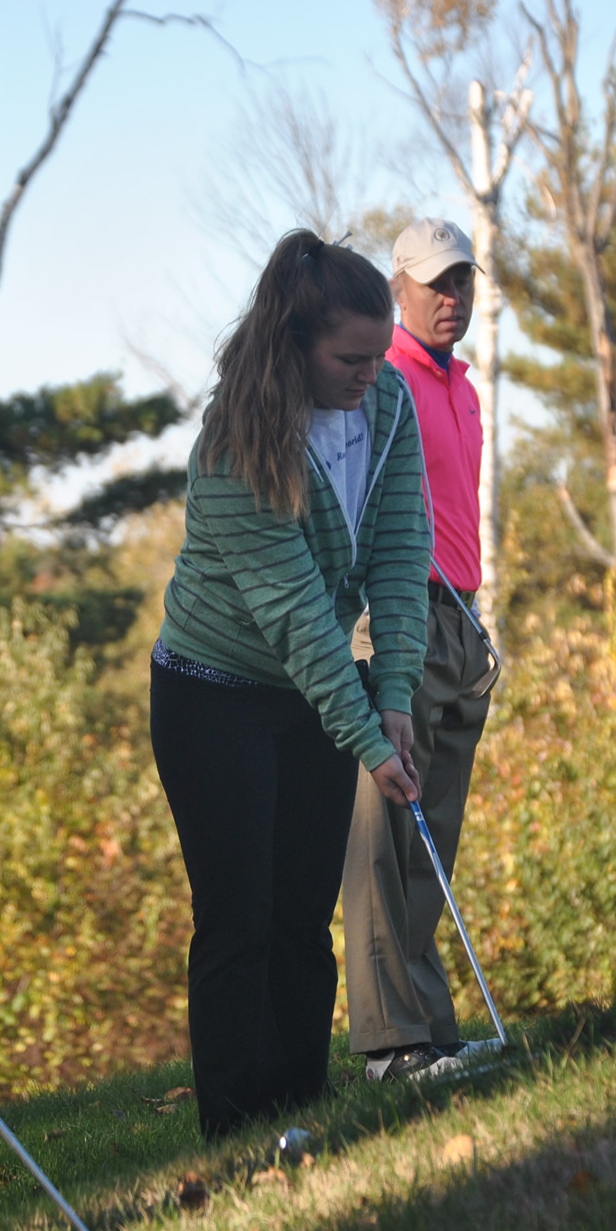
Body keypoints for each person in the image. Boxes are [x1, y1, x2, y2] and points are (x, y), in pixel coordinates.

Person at [152, 229, 432, 1139]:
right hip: (214, 691)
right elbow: (300, 616)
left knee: (306, 911)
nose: (369, 372)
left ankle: (301, 1108)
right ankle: (235, 1128)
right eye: (350, 357)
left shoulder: (387, 406)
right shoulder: (238, 443)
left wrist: (393, 699)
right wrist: (363, 737)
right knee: (241, 915)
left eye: (378, 353)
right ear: (297, 345)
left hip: (313, 694)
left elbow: (398, 553)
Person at [343, 217, 502, 1083]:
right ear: (397, 289)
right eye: (437, 282)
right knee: (384, 838)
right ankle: (385, 1044)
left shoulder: (464, 388)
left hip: (461, 622)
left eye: (464, 281)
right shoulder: (380, 381)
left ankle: (430, 1031)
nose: (453, 297)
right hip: (393, 617)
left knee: (434, 836)